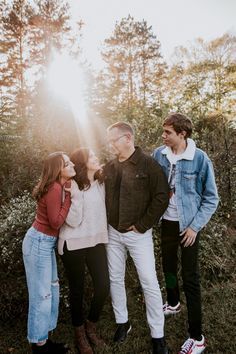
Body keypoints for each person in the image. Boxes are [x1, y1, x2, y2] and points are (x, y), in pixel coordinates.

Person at [152, 113, 219, 354]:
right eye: (164, 131)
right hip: (166, 223)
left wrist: (194, 227)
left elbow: (212, 198)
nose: (163, 136)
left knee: (190, 279)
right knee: (168, 267)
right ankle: (172, 302)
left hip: (189, 227)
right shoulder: (159, 155)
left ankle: (197, 337)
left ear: (183, 134)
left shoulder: (200, 159)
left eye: (168, 132)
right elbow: (152, 184)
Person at [104, 122, 169, 354]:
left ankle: (158, 335)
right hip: (113, 232)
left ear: (128, 138)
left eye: (114, 140)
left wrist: (142, 226)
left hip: (138, 235)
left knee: (149, 282)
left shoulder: (149, 165)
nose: (110, 145)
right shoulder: (110, 167)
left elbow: (161, 198)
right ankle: (123, 322)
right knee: (115, 278)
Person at [22, 152, 76, 354]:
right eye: (67, 163)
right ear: (58, 170)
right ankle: (39, 347)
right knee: (41, 296)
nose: (72, 165)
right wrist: (69, 197)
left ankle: (43, 340)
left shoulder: (58, 186)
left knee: (51, 291)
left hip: (44, 243)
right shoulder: (55, 188)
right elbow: (55, 222)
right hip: (38, 243)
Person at [58, 148, 109, 354]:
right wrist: (77, 196)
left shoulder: (101, 183)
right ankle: (79, 334)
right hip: (73, 243)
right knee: (77, 290)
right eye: (92, 156)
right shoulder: (71, 186)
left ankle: (91, 325)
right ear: (83, 162)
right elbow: (72, 220)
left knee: (104, 285)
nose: (97, 158)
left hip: (95, 241)